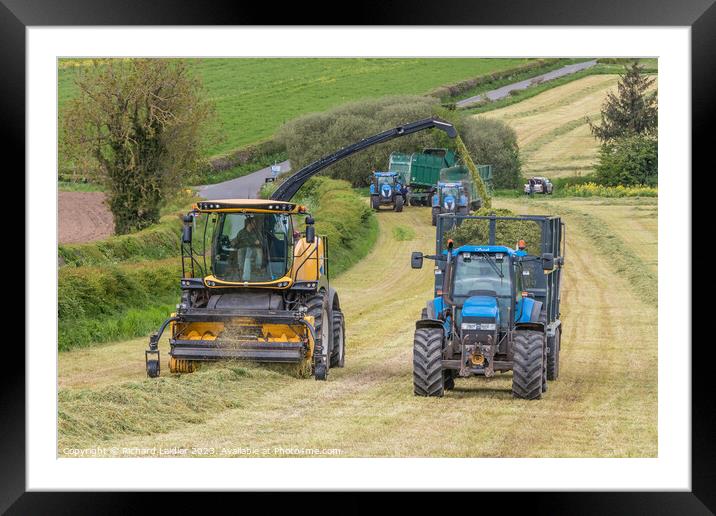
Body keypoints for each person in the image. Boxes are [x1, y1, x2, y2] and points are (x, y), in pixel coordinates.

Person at [232, 216, 267, 280]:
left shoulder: (257, 233)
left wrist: (258, 242)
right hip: (243, 251)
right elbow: (236, 240)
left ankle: (257, 268)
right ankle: (241, 269)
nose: (255, 224)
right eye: (253, 223)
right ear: (249, 224)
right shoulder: (241, 233)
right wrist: (233, 242)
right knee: (240, 250)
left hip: (253, 251)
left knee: (258, 251)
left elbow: (262, 243)